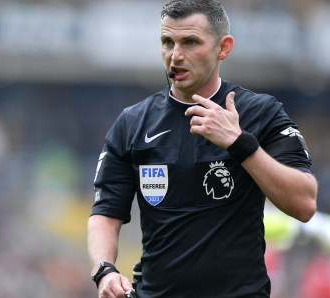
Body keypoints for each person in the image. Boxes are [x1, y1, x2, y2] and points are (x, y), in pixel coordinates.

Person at [87, 1, 318, 297]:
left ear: (223, 47)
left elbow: (304, 204)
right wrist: (104, 270)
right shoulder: (132, 124)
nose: (176, 55)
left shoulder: (262, 113)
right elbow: (106, 212)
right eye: (167, 42)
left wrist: (240, 144)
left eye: (190, 42)